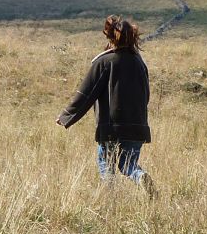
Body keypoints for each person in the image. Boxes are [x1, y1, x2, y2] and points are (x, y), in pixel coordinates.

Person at [56, 15, 154, 194]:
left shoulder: (103, 62)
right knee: (128, 165)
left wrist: (66, 116)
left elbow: (86, 94)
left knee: (106, 164)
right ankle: (139, 175)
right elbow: (146, 96)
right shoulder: (140, 63)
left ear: (110, 37)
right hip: (137, 126)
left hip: (111, 127)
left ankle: (111, 201)